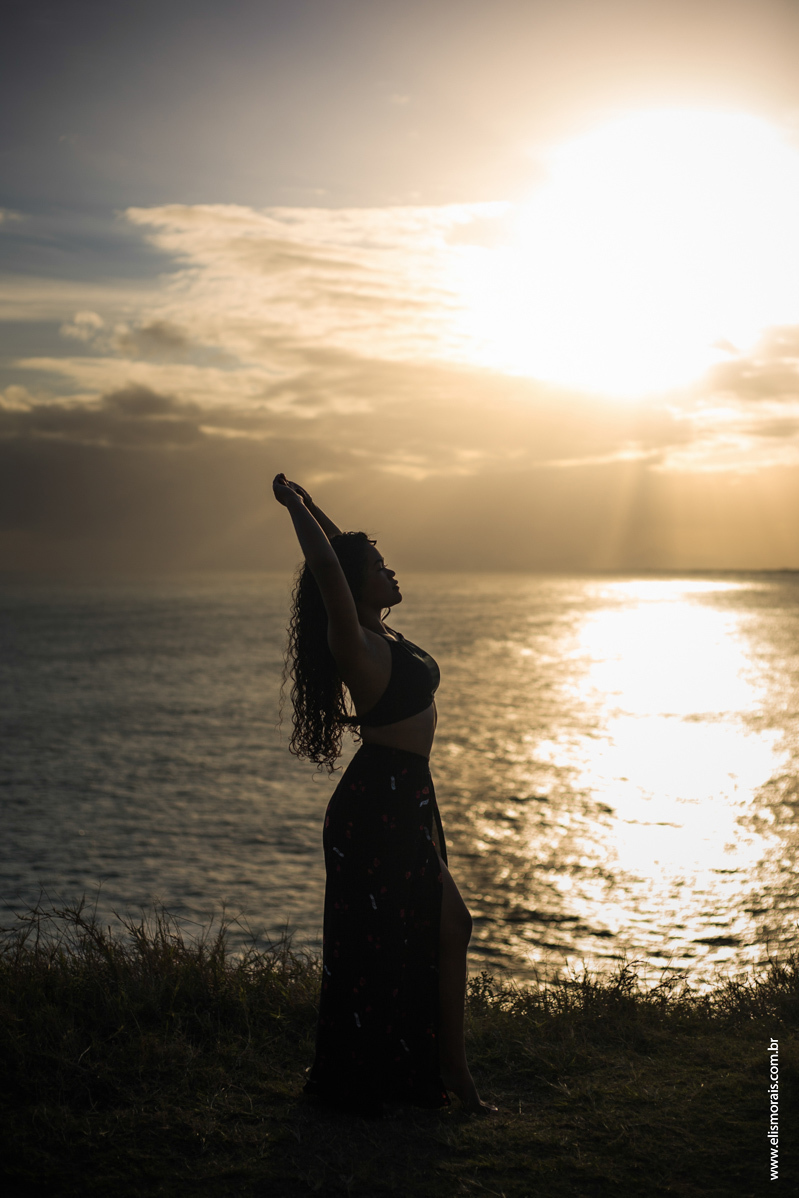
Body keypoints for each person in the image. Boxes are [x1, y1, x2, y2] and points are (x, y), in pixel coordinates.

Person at [273, 473, 495, 1117]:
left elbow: (339, 552)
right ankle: (446, 1072)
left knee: (430, 930)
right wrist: (293, 506)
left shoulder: (385, 636)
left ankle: (442, 1067)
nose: (389, 570)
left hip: (408, 795)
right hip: (378, 803)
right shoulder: (353, 642)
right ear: (356, 584)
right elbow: (328, 567)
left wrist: (316, 505)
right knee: (435, 928)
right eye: (378, 566)